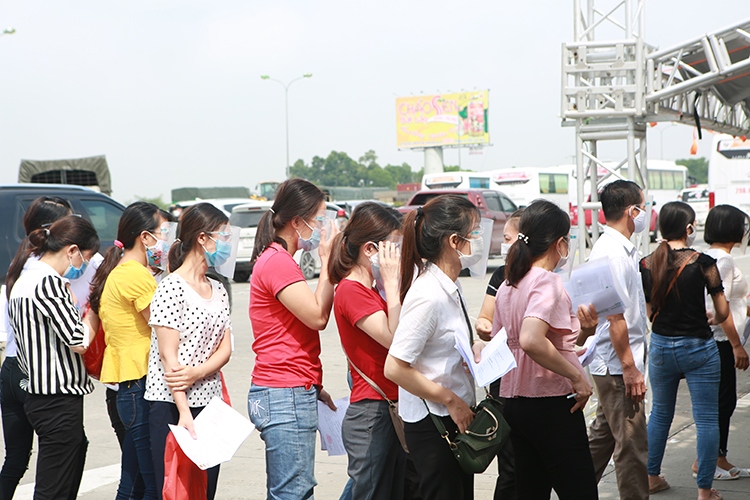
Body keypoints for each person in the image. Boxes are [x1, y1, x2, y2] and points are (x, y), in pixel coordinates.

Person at [493, 199, 598, 499]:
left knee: (531, 489)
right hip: (550, 401)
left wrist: (579, 340)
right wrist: (576, 377)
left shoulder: (508, 285)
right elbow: (531, 340)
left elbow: (510, 343)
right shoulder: (546, 282)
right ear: (559, 243)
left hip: (515, 400)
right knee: (580, 490)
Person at [384, 195, 484, 500]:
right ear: (454, 241)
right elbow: (395, 367)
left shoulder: (450, 285)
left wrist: (475, 349)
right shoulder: (428, 295)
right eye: (475, 233)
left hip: (455, 417)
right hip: (435, 423)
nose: (479, 241)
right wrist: (451, 400)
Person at [247, 178, 338, 500]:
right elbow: (316, 316)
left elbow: (288, 332)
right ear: (297, 221)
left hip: (289, 386)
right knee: (294, 493)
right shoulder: (278, 263)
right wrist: (328, 261)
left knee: (290, 490)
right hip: (284, 392)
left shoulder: (278, 260)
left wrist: (314, 385)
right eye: (320, 219)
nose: (324, 227)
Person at [640, 201, 729, 500]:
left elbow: (650, 312)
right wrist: (714, 319)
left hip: (662, 348)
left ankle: (651, 477)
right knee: (706, 418)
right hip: (700, 348)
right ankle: (704, 490)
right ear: (689, 228)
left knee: (660, 414)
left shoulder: (646, 263)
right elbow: (722, 310)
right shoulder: (704, 262)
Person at [6, 215, 100, 500]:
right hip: (57, 399)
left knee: (55, 480)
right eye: (85, 257)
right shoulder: (49, 283)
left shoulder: (24, 279)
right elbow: (78, 341)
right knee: (55, 486)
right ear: (71, 250)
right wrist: (94, 310)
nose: (83, 266)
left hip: (37, 393)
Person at [146, 203, 233, 499]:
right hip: (172, 405)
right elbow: (169, 358)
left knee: (206, 490)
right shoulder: (171, 287)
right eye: (223, 235)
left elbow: (226, 345)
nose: (227, 243)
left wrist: (199, 371)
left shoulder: (218, 288)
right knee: (174, 490)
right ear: (202, 238)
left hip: (210, 402)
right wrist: (184, 411)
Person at [88, 201, 168, 500]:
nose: (167, 238)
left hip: (130, 385)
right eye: (163, 232)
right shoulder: (133, 274)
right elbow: (164, 326)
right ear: (145, 237)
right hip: (140, 383)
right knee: (152, 486)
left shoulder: (125, 271)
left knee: (133, 482)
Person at [329, 202, 405, 500]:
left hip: (387, 408)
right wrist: (393, 283)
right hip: (373, 412)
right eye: (394, 247)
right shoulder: (350, 290)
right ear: (370, 249)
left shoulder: (370, 289)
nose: (398, 255)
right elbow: (395, 339)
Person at [0, 196, 74, 498]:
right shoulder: (49, 272)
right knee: (58, 457)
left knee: (16, 458)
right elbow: (76, 336)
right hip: (39, 374)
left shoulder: (19, 266)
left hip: (11, 369)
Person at [585, 180, 650, 499]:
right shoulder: (612, 253)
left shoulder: (617, 249)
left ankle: (573, 488)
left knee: (603, 438)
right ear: (631, 211)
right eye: (643, 206)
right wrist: (630, 369)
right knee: (632, 448)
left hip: (614, 364)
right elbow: (615, 318)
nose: (646, 213)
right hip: (617, 366)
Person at [689, 205, 749, 480]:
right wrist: (737, 345)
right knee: (722, 402)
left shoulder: (710, 255)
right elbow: (719, 306)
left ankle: (718, 457)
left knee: (721, 401)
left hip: (717, 337)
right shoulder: (722, 260)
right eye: (742, 225)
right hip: (721, 340)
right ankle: (707, 461)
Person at [474, 208, 523, 500]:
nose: (503, 243)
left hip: (537, 384)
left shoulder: (545, 277)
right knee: (511, 468)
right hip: (503, 381)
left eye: (507, 237)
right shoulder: (501, 275)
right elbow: (483, 318)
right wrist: (488, 331)